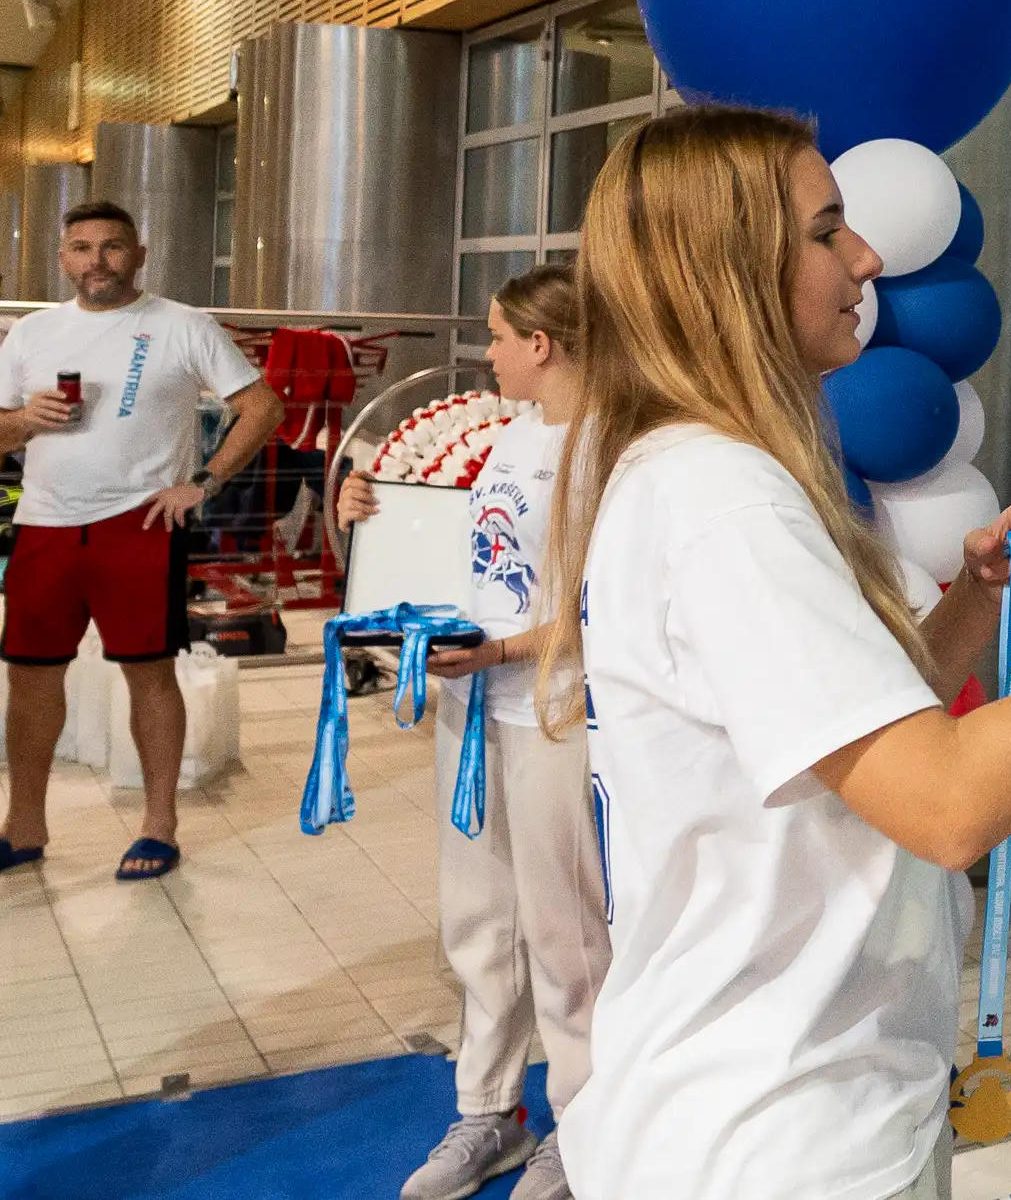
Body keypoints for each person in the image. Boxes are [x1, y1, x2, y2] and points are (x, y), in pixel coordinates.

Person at [530, 106, 1011, 1200]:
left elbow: (848, 741)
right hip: (775, 1134)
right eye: (827, 229)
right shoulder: (723, 499)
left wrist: (971, 608)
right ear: (727, 268)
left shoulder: (703, 472)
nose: (867, 257)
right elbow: (944, 799)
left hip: (793, 1103)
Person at [336, 265, 607, 1200]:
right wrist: (371, 521)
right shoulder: (512, 433)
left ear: (542, 343)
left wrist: (501, 651)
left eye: (498, 337)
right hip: (476, 704)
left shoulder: (610, 445)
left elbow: (597, 606)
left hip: (554, 709)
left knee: (564, 930)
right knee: (480, 921)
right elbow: (468, 553)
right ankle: (490, 1107)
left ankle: (587, 1121)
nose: (486, 354)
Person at [0, 200, 284, 882]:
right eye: (81, 247)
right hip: (44, 522)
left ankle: (159, 823)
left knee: (149, 674)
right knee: (30, 678)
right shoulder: (31, 334)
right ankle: (24, 823)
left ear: (139, 254)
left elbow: (263, 406)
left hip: (143, 523)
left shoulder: (182, 325)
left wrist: (204, 482)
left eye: (112, 246)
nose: (96, 260)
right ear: (62, 256)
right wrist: (24, 421)